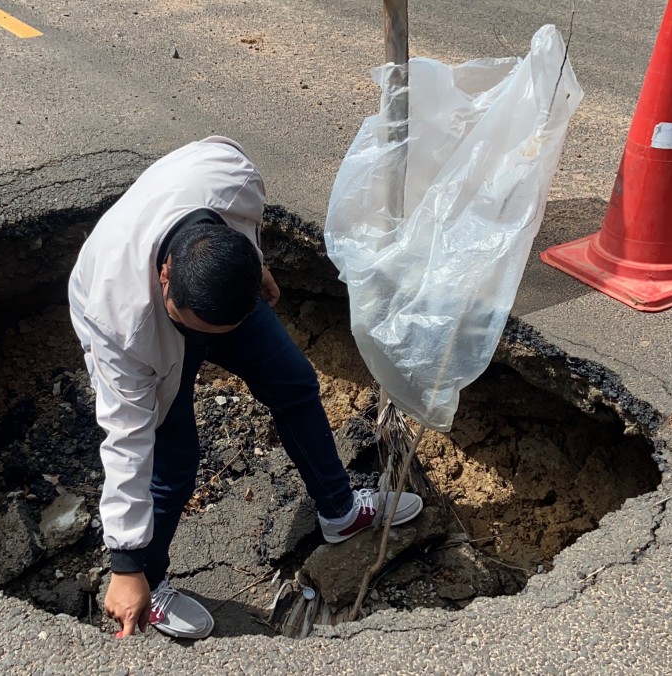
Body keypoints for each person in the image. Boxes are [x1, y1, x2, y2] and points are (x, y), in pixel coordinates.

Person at [67, 136, 423, 640]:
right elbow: (126, 442)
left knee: (294, 382)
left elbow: (243, 220)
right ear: (164, 275)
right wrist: (123, 562)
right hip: (141, 324)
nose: (205, 347)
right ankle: (149, 579)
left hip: (213, 294)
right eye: (195, 331)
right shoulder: (120, 323)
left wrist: (252, 261)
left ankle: (339, 512)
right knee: (172, 463)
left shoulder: (229, 176)